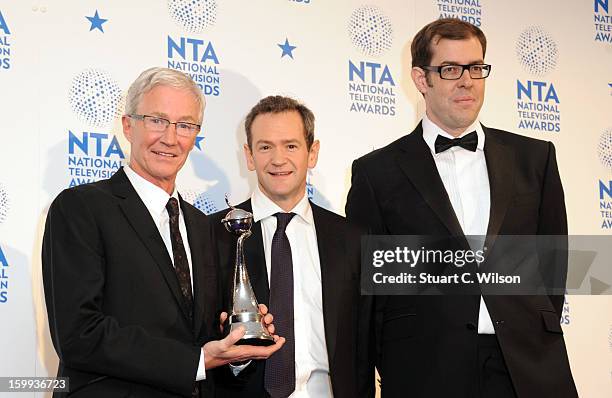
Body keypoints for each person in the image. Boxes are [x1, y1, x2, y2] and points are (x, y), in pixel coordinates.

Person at [345, 19, 577, 398]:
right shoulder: (376, 172)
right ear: (421, 79)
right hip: (425, 369)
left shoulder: (535, 158)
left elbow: (553, 266)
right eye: (450, 69)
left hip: (526, 366)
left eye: (476, 68)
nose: (466, 80)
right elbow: (370, 286)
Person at [42, 67, 284, 398]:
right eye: (157, 120)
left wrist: (237, 349)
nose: (170, 138)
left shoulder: (204, 226)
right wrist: (197, 360)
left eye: (185, 125)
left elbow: (206, 343)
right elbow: (79, 335)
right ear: (128, 126)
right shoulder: (81, 209)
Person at [210, 96, 373, 397]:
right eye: (265, 147)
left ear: (313, 153)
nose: (278, 159)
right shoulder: (215, 234)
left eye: (291, 146)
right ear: (249, 155)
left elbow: (364, 343)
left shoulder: (352, 239)